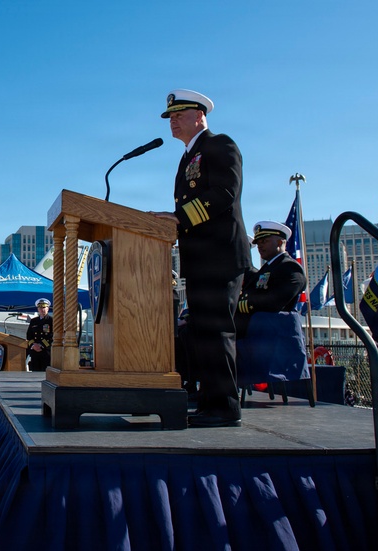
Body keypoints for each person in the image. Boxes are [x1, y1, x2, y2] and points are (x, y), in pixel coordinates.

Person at [154, 89, 251, 428]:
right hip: (200, 259)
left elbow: (225, 193)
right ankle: (211, 402)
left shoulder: (219, 144)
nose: (173, 121)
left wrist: (179, 217)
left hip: (221, 255)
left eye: (179, 114)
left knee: (217, 331)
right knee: (203, 332)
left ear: (200, 115)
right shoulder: (187, 157)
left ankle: (225, 407)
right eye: (170, 117)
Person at [235, 221, 308, 338]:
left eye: (264, 241)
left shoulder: (290, 268)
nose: (260, 246)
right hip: (259, 333)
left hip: (277, 336)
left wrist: (238, 304)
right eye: (258, 242)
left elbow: (275, 301)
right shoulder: (267, 268)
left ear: (280, 242)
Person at [26, 298, 53, 372]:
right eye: (40, 307)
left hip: (45, 351)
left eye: (44, 307)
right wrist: (33, 345)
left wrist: (41, 345)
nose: (42, 309)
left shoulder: (51, 321)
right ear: (38, 309)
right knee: (35, 372)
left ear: (48, 308)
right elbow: (29, 335)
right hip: (34, 351)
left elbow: (52, 335)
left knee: (45, 373)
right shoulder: (33, 321)